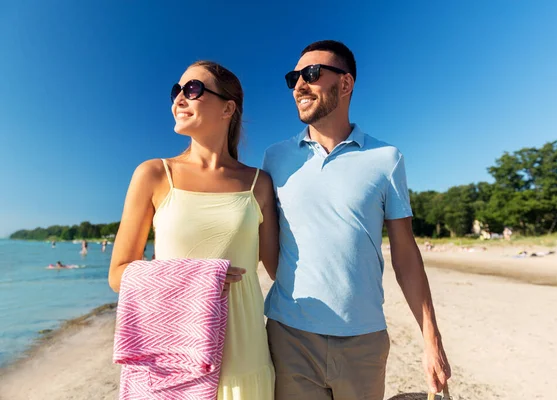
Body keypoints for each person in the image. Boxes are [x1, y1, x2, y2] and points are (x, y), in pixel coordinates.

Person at [262, 40, 451, 399]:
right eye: (294, 78)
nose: (300, 85)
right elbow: (267, 247)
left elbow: (406, 255)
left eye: (312, 74)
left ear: (345, 84)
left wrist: (431, 340)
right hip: (290, 336)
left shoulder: (386, 158)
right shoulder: (275, 158)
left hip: (364, 340)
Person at [108, 60, 278, 400]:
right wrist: (200, 275)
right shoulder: (154, 174)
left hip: (244, 354)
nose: (178, 100)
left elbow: (280, 269)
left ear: (228, 108)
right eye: (176, 91)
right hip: (174, 361)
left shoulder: (258, 183)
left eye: (193, 89)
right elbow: (118, 274)